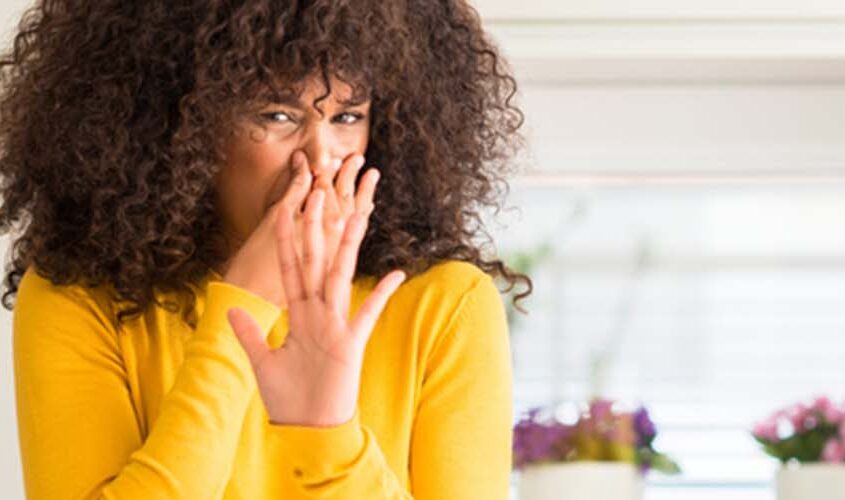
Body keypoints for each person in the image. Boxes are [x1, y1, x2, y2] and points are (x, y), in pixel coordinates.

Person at [0, 0, 532, 498]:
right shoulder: (77, 298)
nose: (320, 158)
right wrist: (237, 315)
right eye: (277, 115)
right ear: (183, 123)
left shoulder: (445, 304)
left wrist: (328, 431)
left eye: (347, 117)